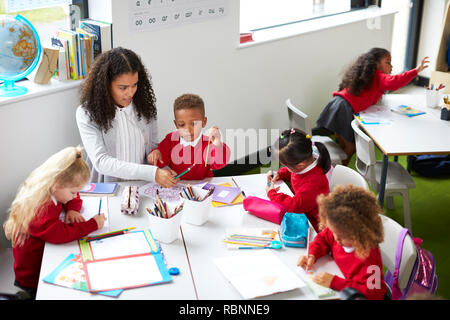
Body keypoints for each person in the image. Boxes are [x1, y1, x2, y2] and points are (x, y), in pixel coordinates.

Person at [3, 146, 106, 299]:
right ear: (57, 184)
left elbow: (74, 197)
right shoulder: (39, 206)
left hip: (44, 258)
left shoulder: (51, 188)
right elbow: (60, 234)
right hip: (33, 276)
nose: (73, 196)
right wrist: (92, 224)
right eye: (71, 192)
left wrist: (72, 209)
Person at [76, 47, 178, 188]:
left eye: (134, 85)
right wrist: (152, 173)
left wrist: (162, 166)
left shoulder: (145, 107)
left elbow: (152, 149)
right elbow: (101, 162)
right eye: (122, 87)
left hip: (142, 188)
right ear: (106, 85)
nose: (130, 93)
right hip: (107, 190)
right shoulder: (87, 113)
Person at [317, 47, 430, 165]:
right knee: (350, 147)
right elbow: (394, 82)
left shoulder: (367, 75)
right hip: (343, 108)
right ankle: (335, 173)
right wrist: (416, 71)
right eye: (388, 62)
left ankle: (333, 170)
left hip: (337, 103)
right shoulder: (378, 76)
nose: (391, 66)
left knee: (344, 147)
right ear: (376, 64)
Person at [297, 185, 387, 300]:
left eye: (342, 236)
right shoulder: (339, 229)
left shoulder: (369, 256)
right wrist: (312, 255)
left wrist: (335, 282)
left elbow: (375, 294)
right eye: (333, 232)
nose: (336, 239)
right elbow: (323, 239)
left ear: (360, 232)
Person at [147, 93, 230, 180]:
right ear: (176, 124)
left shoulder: (208, 143)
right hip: (178, 188)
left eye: (194, 124)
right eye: (182, 125)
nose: (188, 130)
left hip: (203, 188)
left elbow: (219, 163)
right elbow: (160, 159)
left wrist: (217, 144)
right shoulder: (171, 139)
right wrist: (155, 154)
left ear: (204, 122)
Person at [266, 128, 330, 231]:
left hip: (314, 224)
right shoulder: (306, 160)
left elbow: (294, 206)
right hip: (303, 211)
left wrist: (272, 194)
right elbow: (293, 173)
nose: (285, 168)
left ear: (300, 165)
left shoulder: (313, 184)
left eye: (285, 165)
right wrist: (279, 174)